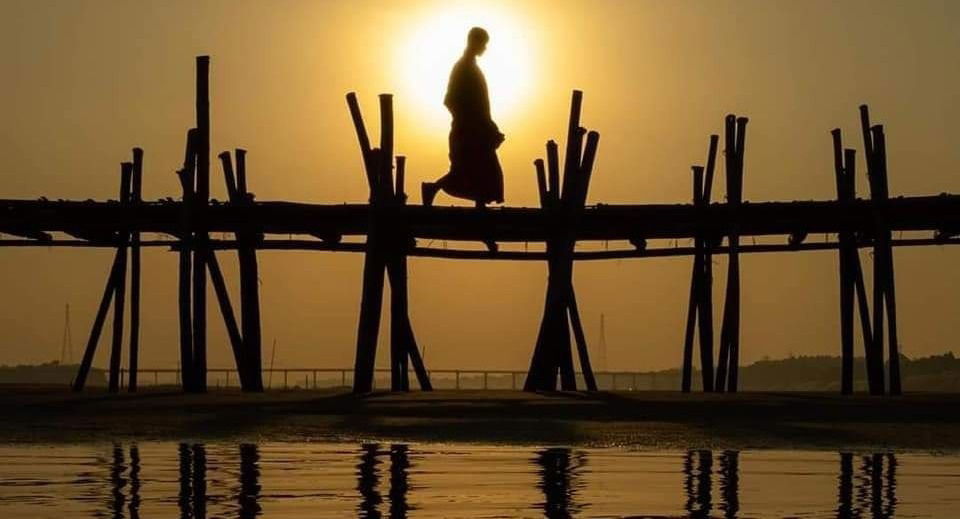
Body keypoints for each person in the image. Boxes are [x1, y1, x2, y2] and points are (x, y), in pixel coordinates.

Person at [422, 27, 505, 208]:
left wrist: (490, 127)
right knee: (469, 170)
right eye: (483, 44)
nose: (484, 48)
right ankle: (433, 188)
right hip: (467, 131)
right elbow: (450, 100)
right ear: (474, 42)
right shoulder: (463, 68)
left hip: (477, 130)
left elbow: (481, 106)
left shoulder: (471, 68)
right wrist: (470, 123)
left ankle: (480, 213)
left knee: (482, 171)